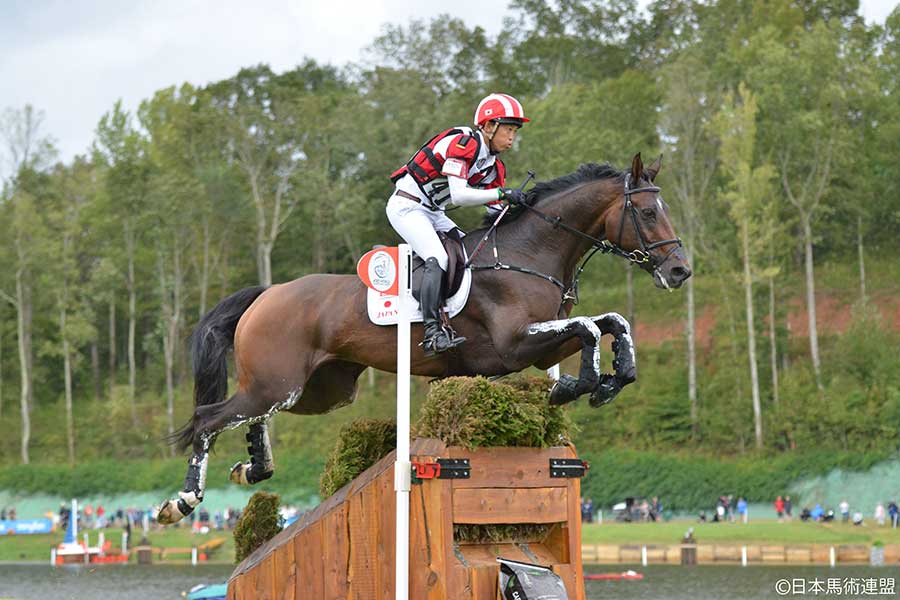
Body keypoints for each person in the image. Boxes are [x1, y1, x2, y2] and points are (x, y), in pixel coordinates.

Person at [386, 93, 529, 355]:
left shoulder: (494, 167)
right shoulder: (464, 144)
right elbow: (461, 194)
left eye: (515, 131)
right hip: (407, 206)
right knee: (438, 257)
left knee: (469, 254)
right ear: (488, 127)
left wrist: (524, 208)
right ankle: (431, 332)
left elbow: (496, 211)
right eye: (508, 130)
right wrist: (501, 194)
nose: (512, 138)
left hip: (433, 212)